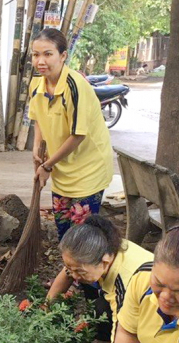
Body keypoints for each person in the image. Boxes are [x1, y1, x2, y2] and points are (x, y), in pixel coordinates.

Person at [28, 28, 114, 240]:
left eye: (48, 54)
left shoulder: (75, 86)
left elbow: (78, 135)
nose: (41, 61)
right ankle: (71, 270)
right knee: (65, 233)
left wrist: (47, 166)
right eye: (36, 55)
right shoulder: (36, 84)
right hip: (62, 169)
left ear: (63, 56)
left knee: (82, 238)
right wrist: (37, 148)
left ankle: (89, 271)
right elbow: (38, 118)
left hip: (88, 169)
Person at [46, 216, 153, 343]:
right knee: (98, 305)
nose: (74, 276)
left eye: (79, 271)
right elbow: (68, 272)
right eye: (70, 268)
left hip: (161, 325)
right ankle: (105, 340)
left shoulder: (126, 285)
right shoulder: (105, 246)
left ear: (104, 261)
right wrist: (46, 310)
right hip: (126, 296)